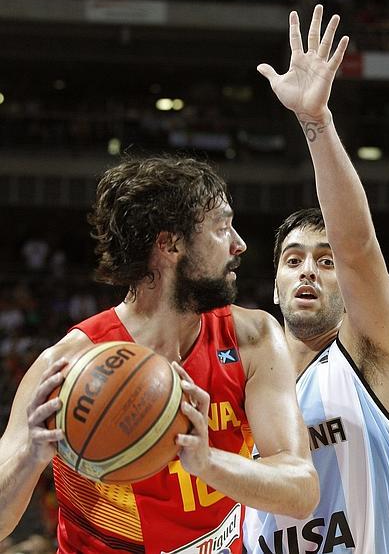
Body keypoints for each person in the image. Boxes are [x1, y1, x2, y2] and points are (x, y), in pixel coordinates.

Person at [0, 155, 319, 553]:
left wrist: (208, 462)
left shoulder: (252, 338)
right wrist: (29, 458)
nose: (239, 244)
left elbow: (301, 489)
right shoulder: (69, 366)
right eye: (222, 228)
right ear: (169, 244)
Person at [243, 6, 389, 554]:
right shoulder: (245, 391)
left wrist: (315, 122)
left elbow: (359, 249)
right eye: (293, 259)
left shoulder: (371, 357)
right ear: (274, 284)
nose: (307, 270)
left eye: (324, 261)